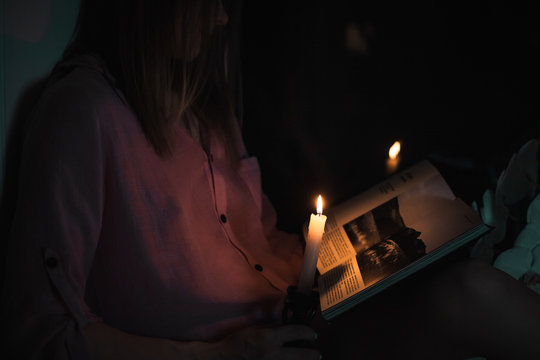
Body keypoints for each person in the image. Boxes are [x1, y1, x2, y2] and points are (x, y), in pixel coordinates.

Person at [1, 1, 540, 359]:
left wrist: (346, 253)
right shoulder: (83, 111)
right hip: (267, 343)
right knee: (474, 294)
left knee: (456, 258)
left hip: (307, 312)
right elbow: (41, 331)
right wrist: (218, 356)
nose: (217, 18)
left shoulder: (206, 111)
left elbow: (260, 246)